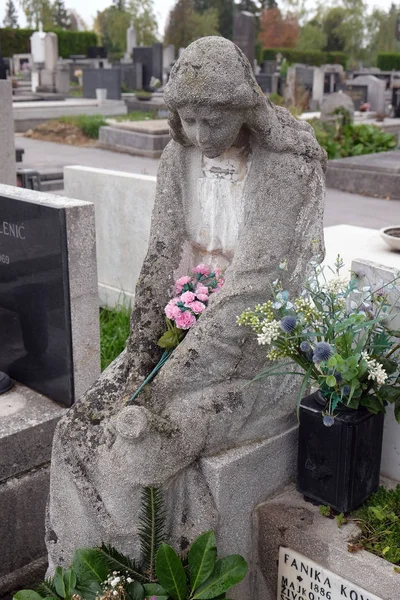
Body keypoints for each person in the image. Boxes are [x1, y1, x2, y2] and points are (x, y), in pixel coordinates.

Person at [47, 37, 326, 568]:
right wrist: (141, 349)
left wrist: (167, 382)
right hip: (185, 333)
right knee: (77, 429)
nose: (200, 135)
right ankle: (75, 577)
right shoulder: (178, 156)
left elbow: (254, 286)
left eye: (212, 120)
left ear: (244, 106)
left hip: (258, 350)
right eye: (188, 119)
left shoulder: (286, 164)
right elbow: (160, 254)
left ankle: (139, 576)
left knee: (138, 447)